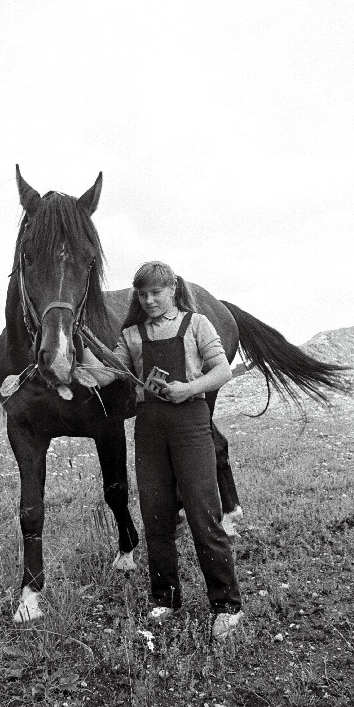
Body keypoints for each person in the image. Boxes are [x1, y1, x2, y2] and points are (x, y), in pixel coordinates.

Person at [100, 261, 243, 641]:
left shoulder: (197, 324)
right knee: (156, 516)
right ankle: (165, 598)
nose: (149, 301)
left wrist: (189, 389)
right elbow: (108, 373)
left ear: (172, 289)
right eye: (142, 294)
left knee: (203, 513)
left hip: (192, 424)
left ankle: (227, 605)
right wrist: (76, 363)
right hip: (149, 429)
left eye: (156, 293)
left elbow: (222, 370)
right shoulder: (131, 335)